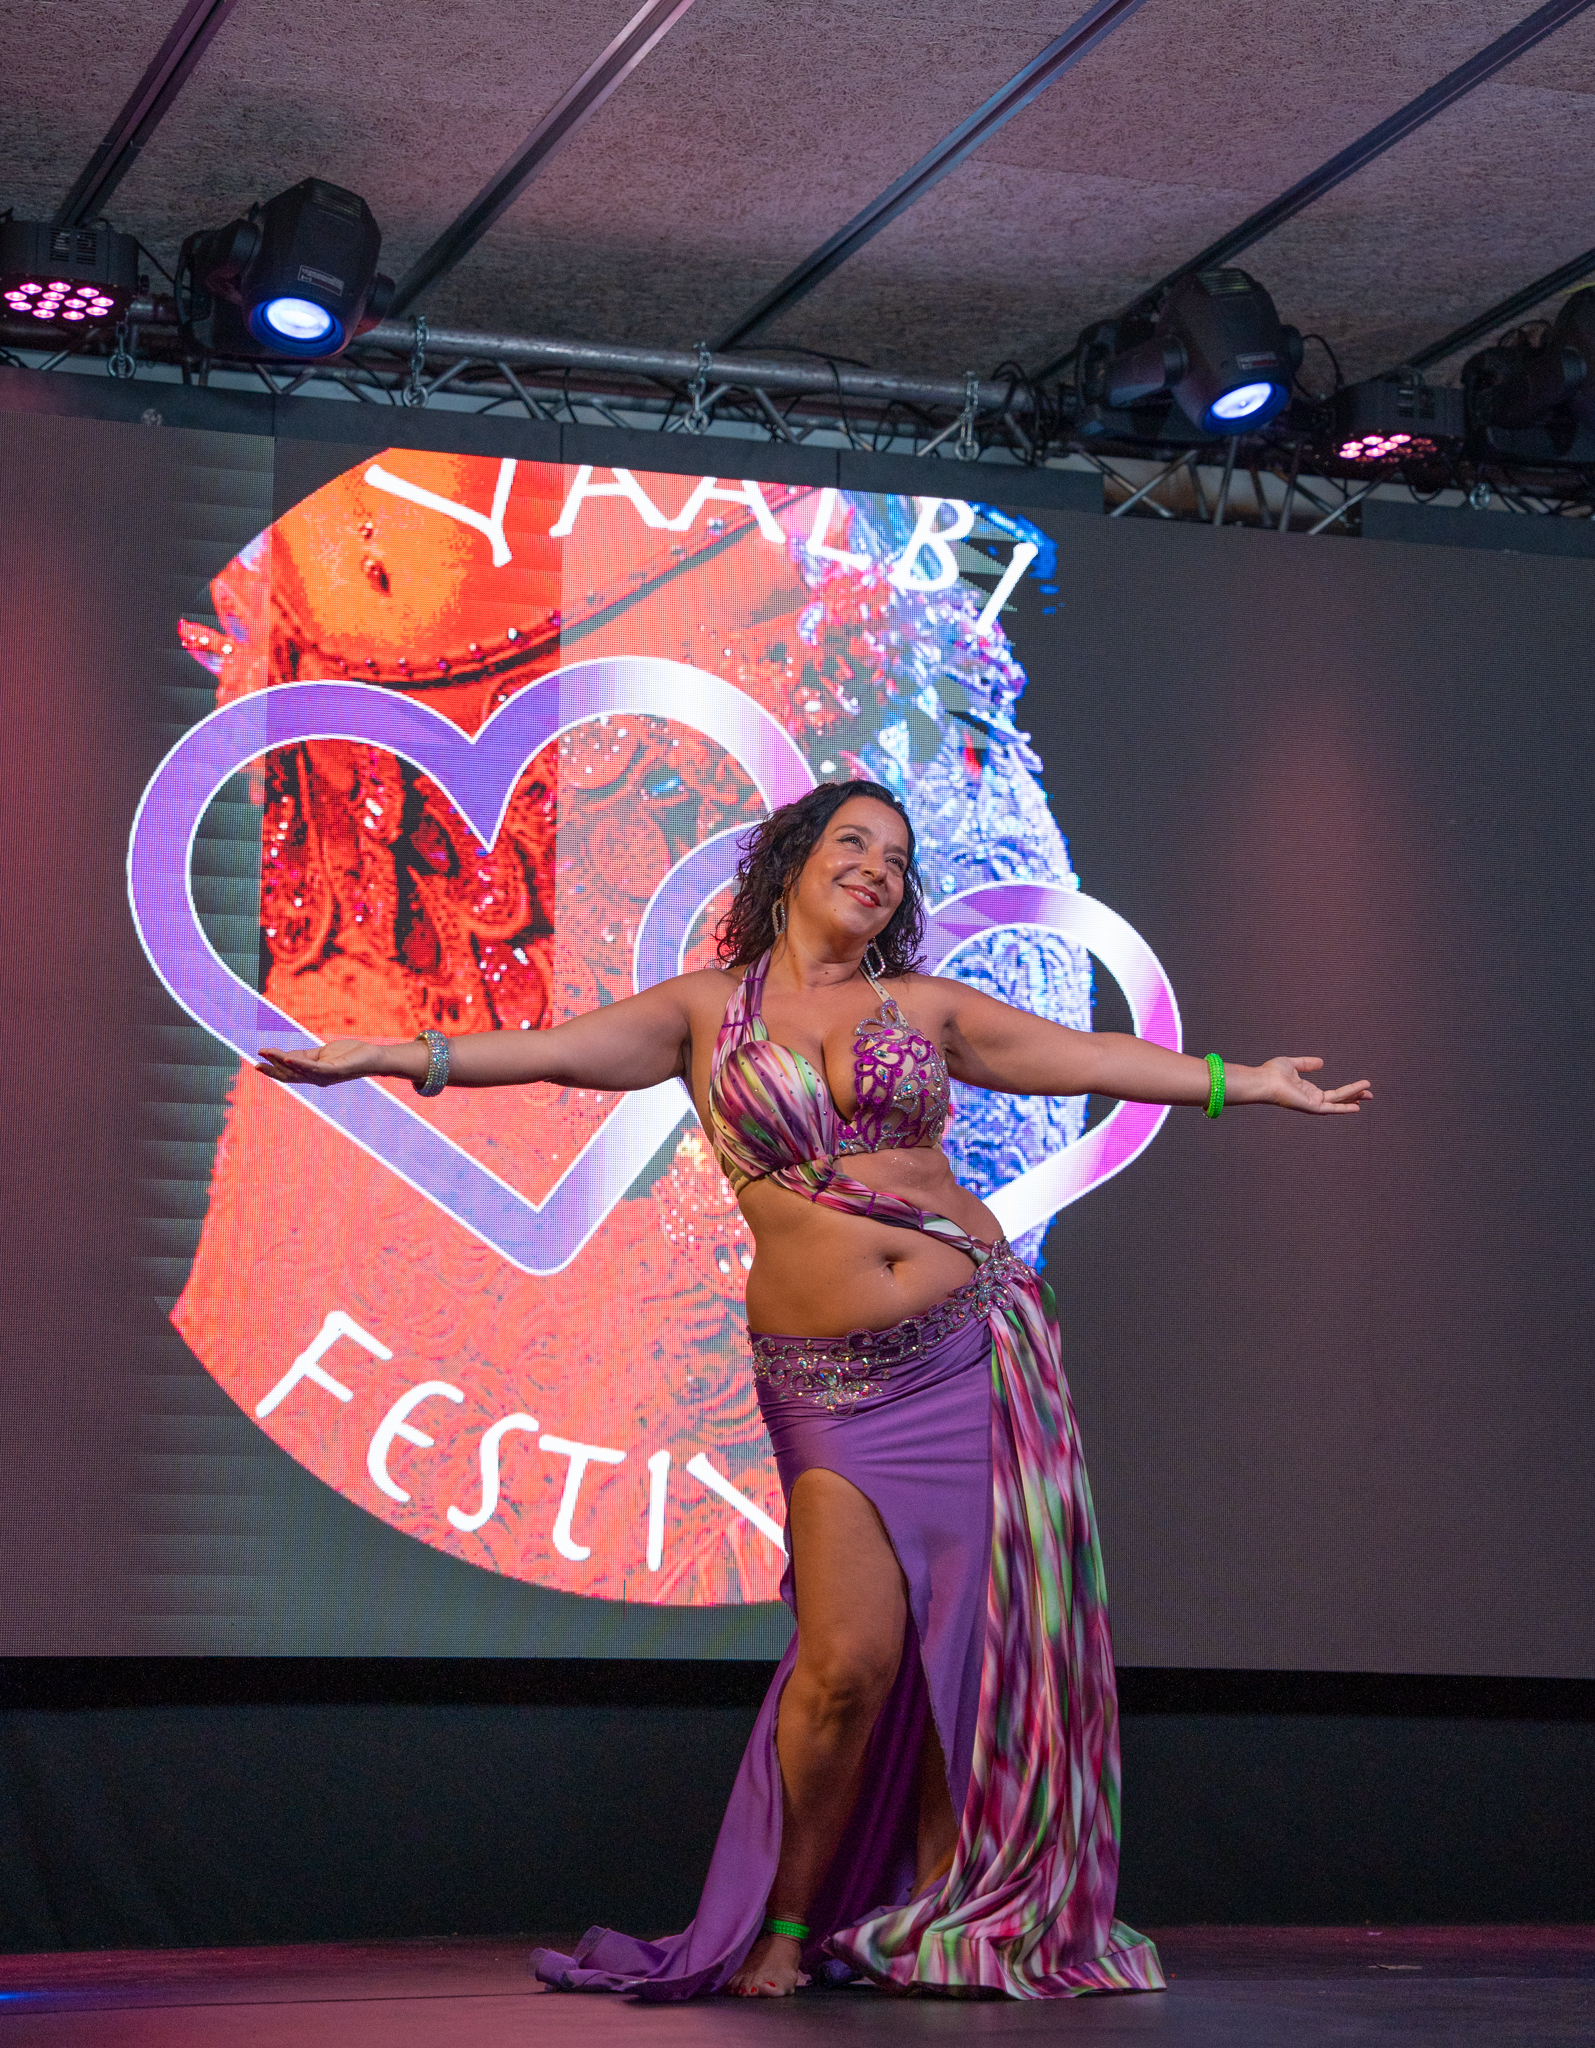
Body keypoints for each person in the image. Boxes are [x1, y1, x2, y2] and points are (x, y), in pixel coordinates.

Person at [258, 780, 1371, 2000]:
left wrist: (1237, 1079)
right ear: (791, 859)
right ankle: (784, 1920)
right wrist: (395, 1054)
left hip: (971, 1346)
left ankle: (954, 1914)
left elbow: (1086, 1056)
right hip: (826, 1384)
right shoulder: (702, 1011)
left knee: (978, 1654)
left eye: (895, 857)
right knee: (846, 1661)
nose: (876, 868)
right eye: (852, 842)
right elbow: (548, 1049)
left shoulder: (921, 1006)